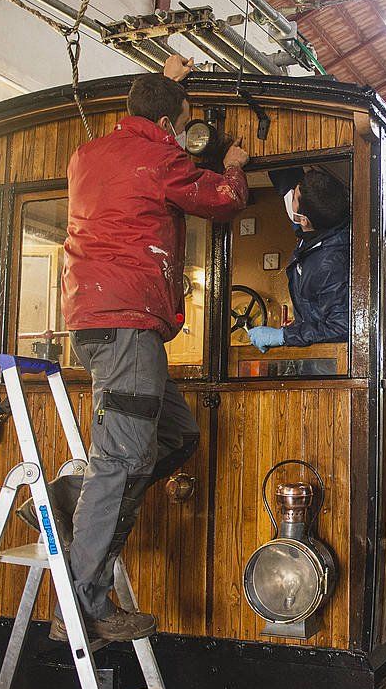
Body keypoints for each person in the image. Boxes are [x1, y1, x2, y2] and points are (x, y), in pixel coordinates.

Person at [37, 54, 249, 643]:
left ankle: (59, 500)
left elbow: (147, 122)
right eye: (180, 126)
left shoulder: (87, 154)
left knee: (177, 435)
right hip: (131, 326)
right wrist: (231, 168)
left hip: (95, 322)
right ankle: (83, 608)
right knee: (121, 465)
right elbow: (222, 202)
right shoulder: (162, 157)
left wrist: (164, 91)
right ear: (170, 124)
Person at [246, 168, 350, 351]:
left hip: (323, 361)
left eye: (294, 197)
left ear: (304, 220)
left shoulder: (330, 266)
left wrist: (284, 336)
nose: (292, 195)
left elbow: (340, 328)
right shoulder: (319, 228)